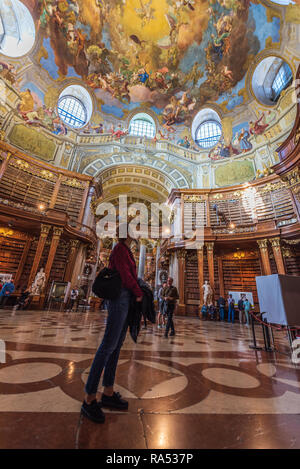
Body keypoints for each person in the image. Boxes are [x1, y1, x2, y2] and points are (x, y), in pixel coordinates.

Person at [81, 224, 143, 424]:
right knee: (108, 345)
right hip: (120, 299)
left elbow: (130, 275)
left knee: (115, 347)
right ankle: (89, 398)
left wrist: (137, 289)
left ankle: (107, 391)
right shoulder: (119, 249)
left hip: (126, 298)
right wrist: (139, 292)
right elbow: (125, 276)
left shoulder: (125, 250)